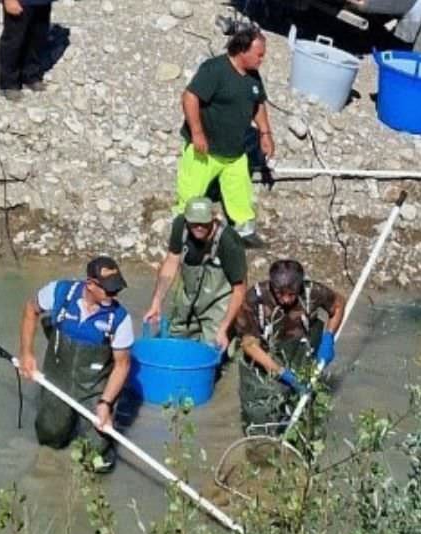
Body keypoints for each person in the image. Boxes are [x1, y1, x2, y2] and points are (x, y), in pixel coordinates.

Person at [18, 256, 134, 473]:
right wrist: (26, 353)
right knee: (49, 437)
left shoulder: (120, 319)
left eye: (117, 288)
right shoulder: (60, 292)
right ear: (90, 284)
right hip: (58, 376)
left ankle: (100, 449)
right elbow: (30, 309)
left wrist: (106, 403)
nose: (114, 295)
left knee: (96, 457)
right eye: (109, 290)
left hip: (94, 385)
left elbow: (122, 366)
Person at [175, 19, 275, 244]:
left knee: (240, 193)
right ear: (242, 50)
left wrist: (265, 134)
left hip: (235, 152)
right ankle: (182, 230)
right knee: (191, 193)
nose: (262, 59)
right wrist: (197, 133)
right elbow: (190, 97)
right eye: (259, 55)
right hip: (205, 150)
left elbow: (258, 104)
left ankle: (244, 231)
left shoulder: (253, 76)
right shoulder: (215, 69)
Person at [234, 260, 344, 433]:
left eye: (292, 294)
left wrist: (328, 337)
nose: (286, 300)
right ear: (272, 286)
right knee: (260, 416)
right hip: (263, 360)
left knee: (304, 414)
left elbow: (338, 304)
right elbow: (248, 344)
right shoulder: (254, 299)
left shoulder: (312, 292)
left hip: (300, 356)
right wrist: (281, 372)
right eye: (280, 294)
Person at [143, 197, 248, 350]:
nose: (199, 227)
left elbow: (240, 289)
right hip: (189, 295)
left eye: (204, 223)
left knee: (213, 347)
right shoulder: (180, 226)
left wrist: (224, 328)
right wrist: (156, 302)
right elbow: (172, 261)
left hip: (218, 302)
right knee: (176, 339)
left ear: (213, 218)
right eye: (194, 223)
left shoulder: (229, 242)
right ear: (186, 219)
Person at [0, 0, 55, 102]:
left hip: (42, 3)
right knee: (14, 41)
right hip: (20, 3)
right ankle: (9, 83)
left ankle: (31, 75)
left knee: (38, 37)